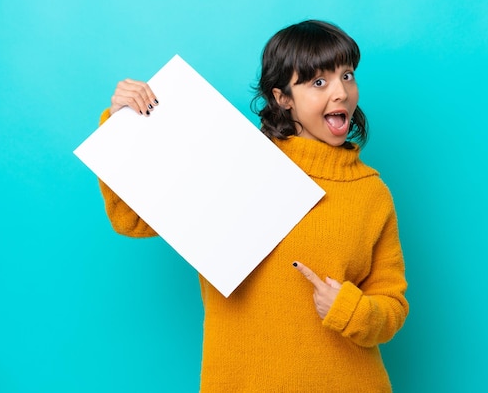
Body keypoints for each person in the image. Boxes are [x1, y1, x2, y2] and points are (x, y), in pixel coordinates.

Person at [97, 20, 409, 392]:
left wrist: (351, 310)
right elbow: (129, 219)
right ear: (282, 98)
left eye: (347, 75)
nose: (341, 92)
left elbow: (391, 305)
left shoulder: (370, 193)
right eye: (319, 82)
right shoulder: (236, 165)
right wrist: (121, 125)